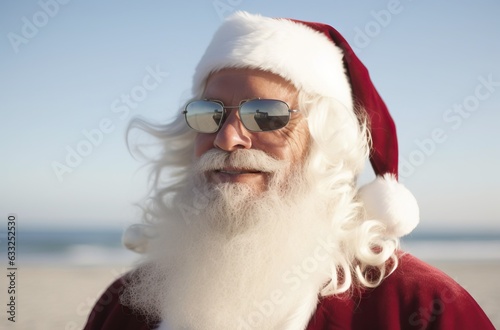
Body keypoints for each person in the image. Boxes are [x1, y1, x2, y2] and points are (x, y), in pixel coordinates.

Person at [84, 11, 494, 330]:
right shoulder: (124, 306)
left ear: (325, 145)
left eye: (265, 115)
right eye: (209, 114)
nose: (228, 138)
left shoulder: (421, 307)